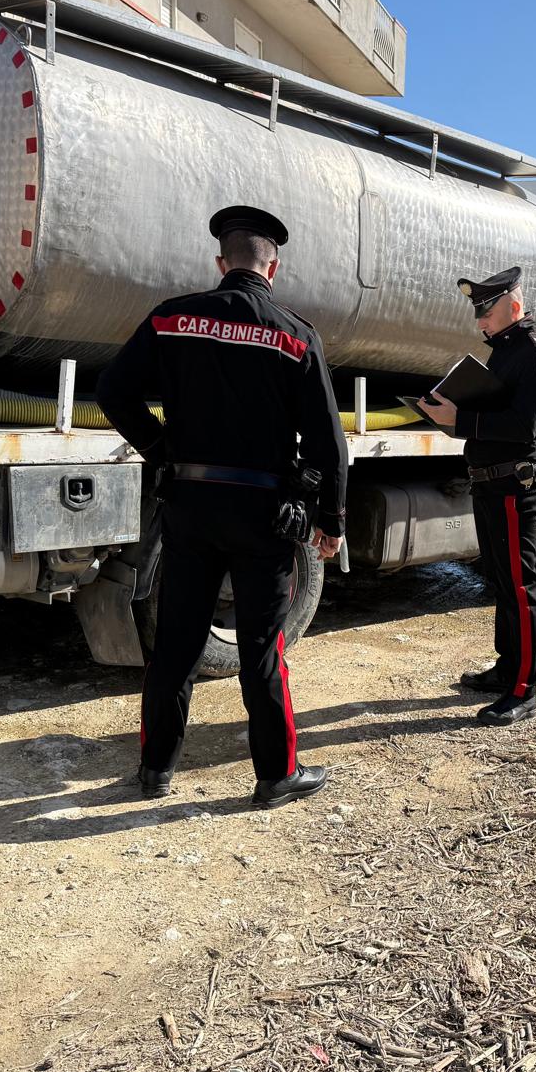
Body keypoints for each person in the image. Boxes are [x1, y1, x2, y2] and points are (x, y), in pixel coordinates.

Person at [96, 205, 347, 807]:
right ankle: (275, 775)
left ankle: (155, 771)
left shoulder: (172, 318)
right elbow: (328, 443)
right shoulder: (294, 334)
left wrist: (159, 449)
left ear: (220, 262)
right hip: (263, 515)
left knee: (177, 643)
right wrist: (331, 520)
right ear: (273, 267)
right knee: (262, 647)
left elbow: (112, 392)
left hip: (190, 504)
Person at [420, 266, 536, 726]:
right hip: (491, 482)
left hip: (514, 487)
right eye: (479, 314)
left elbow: (525, 427)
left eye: (487, 312)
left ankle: (524, 689)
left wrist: (460, 420)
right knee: (502, 583)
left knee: (521, 588)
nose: (480, 322)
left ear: (514, 307)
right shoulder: (503, 355)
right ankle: (506, 668)